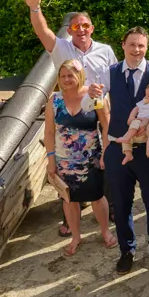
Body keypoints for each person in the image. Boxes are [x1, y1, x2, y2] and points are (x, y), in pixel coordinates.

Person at [103, 27, 149, 273]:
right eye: (132, 44)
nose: (137, 50)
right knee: (120, 203)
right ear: (123, 45)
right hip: (118, 146)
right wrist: (92, 95)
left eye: (141, 45)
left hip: (148, 150)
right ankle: (126, 250)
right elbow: (93, 101)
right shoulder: (108, 73)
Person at [42, 58, 111, 257]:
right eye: (62, 76)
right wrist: (51, 159)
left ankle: (105, 232)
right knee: (69, 200)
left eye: (70, 75)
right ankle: (76, 236)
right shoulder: (54, 100)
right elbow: (48, 132)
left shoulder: (94, 95)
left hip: (92, 159)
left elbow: (106, 125)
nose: (66, 80)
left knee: (97, 197)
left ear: (79, 76)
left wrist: (106, 152)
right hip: (64, 161)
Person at [24, 0, 114, 91]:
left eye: (85, 26)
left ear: (92, 29)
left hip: (99, 106)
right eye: (76, 26)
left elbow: (116, 80)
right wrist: (35, 8)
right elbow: (42, 31)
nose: (81, 30)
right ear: (69, 31)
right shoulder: (60, 48)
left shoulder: (106, 51)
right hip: (70, 106)